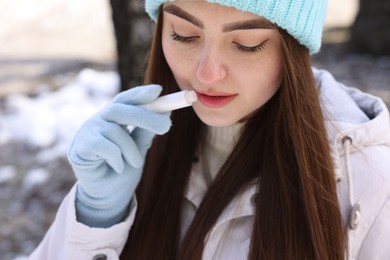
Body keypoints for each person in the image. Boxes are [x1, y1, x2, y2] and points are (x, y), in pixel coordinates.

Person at [29, 0, 390, 259]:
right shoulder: (134, 148)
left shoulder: (368, 184)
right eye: (184, 35)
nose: (206, 74)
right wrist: (96, 217)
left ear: (294, 49)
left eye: (247, 44)